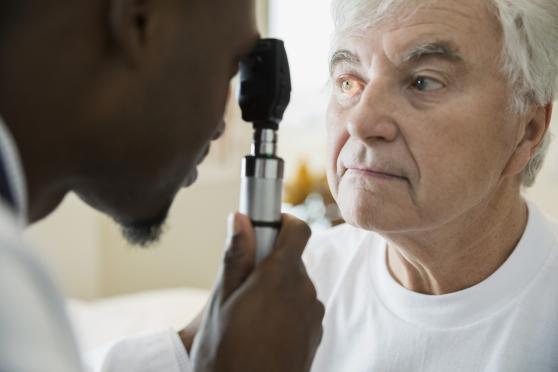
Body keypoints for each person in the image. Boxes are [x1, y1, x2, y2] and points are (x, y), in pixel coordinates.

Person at [0, 0, 324, 371]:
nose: (221, 126)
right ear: (140, 21)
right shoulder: (10, 294)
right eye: (228, 68)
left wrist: (192, 348)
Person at [302, 0, 558, 371]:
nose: (361, 122)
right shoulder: (301, 280)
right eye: (349, 81)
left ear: (527, 129)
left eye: (423, 82)